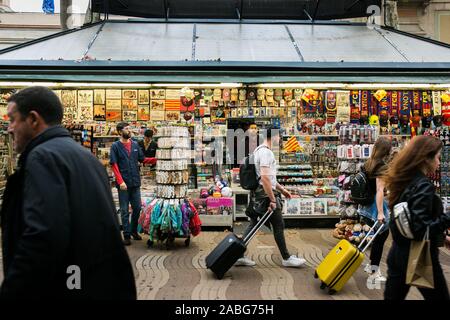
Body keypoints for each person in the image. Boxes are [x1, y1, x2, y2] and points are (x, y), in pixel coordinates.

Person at [0, 86, 136, 299]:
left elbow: (43, 236)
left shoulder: (43, 157)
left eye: (13, 119)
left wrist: (13, 289)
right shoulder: (86, 157)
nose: (9, 128)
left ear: (33, 119)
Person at [384, 135, 450, 300]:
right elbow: (421, 228)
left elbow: (404, 218)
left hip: (398, 252)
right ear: (425, 159)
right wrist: (447, 218)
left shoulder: (404, 180)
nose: (439, 163)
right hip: (419, 256)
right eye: (437, 157)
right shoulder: (423, 186)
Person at [235, 126, 306, 268]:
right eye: (279, 136)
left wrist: (283, 190)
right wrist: (273, 199)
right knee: (279, 225)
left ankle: (239, 255)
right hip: (265, 196)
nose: (280, 140)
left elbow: (270, 178)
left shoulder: (258, 151)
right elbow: (266, 179)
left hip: (258, 195)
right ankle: (286, 258)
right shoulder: (267, 153)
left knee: (254, 223)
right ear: (274, 136)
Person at [110, 122, 157, 246]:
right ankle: (126, 235)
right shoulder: (115, 146)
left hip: (135, 182)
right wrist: (120, 181)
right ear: (120, 132)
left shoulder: (135, 144)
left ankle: (133, 230)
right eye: (126, 129)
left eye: (129, 128)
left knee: (137, 208)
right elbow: (114, 165)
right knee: (124, 210)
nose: (129, 130)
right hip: (123, 184)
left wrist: (159, 158)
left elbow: (143, 159)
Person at [358, 137, 392, 283]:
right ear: (387, 151)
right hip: (374, 207)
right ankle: (374, 271)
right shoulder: (381, 166)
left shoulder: (368, 163)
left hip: (365, 205)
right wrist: (380, 212)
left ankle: (371, 265)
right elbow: (379, 190)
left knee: (379, 236)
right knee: (381, 236)